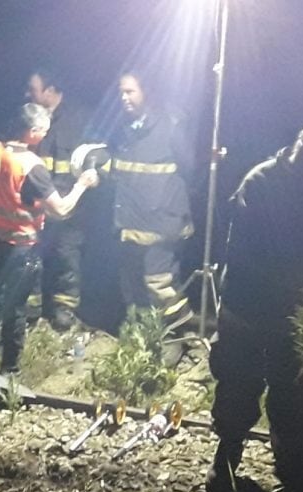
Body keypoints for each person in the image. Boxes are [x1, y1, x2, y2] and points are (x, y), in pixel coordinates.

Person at [207, 127, 303, 492]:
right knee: (237, 382)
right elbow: (247, 252)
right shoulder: (260, 182)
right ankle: (227, 458)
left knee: (293, 388)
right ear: (298, 152)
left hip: (292, 312)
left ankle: (291, 461)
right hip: (247, 306)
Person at [0, 103, 99, 374]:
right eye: (43, 130)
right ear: (32, 132)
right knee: (15, 309)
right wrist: (82, 185)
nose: (45, 135)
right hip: (19, 246)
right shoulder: (31, 166)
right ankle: (10, 370)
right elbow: (61, 210)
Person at [109, 71, 194, 342]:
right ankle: (144, 337)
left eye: (130, 92)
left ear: (147, 92)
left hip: (162, 221)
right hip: (130, 220)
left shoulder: (171, 124)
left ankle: (177, 336)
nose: (123, 98)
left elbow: (190, 169)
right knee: (132, 283)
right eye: (121, 92)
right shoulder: (123, 129)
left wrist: (168, 206)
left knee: (159, 284)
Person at [26, 68, 94, 329]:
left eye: (33, 89)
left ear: (51, 91)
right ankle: (31, 312)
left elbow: (93, 159)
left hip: (69, 205)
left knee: (67, 258)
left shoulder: (80, 119)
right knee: (34, 258)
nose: (28, 94)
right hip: (37, 204)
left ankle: (64, 311)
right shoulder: (29, 118)